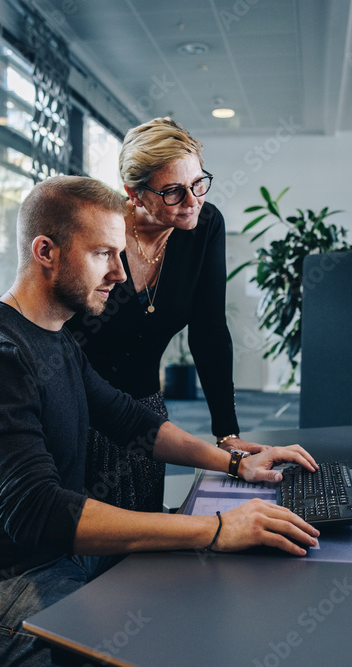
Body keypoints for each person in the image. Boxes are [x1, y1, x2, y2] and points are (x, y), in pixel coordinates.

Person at [0, 175, 320, 667]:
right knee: (164, 641)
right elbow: (37, 511)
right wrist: (215, 527)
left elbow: (131, 421)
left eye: (120, 254)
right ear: (46, 251)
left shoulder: (55, 335)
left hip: (58, 559)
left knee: (208, 582)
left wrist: (238, 462)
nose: (120, 274)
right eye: (103, 255)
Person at [66, 117, 264, 514]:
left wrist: (227, 433)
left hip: (145, 412)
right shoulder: (99, 232)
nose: (192, 201)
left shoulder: (205, 226)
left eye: (198, 184)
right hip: (78, 409)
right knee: (84, 540)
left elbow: (208, 331)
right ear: (134, 194)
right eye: (173, 192)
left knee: (144, 532)